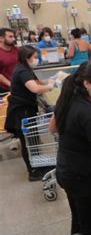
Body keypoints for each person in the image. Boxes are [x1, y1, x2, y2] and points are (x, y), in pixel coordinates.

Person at [48, 61, 91, 235]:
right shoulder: (90, 114)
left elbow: (52, 128)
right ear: (87, 84)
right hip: (86, 179)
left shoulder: (68, 99)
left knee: (79, 219)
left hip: (67, 172)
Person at [4, 46, 54, 181]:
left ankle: (38, 165)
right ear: (27, 58)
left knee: (33, 140)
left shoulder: (25, 69)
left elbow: (38, 82)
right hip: (21, 111)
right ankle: (32, 171)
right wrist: (50, 87)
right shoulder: (22, 71)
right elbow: (35, 88)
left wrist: (53, 79)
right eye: (35, 57)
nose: (36, 59)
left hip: (26, 109)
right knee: (27, 141)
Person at [0, 28, 19, 92]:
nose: (14, 39)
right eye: (10, 37)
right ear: (1, 39)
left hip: (19, 84)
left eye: (14, 36)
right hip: (5, 88)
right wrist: (10, 84)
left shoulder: (17, 50)